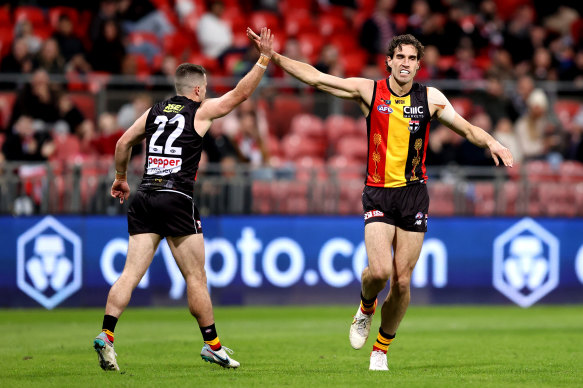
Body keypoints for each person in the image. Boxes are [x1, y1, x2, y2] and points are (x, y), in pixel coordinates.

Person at [248, 30, 513, 370]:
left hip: (415, 194)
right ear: (389, 60)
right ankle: (365, 307)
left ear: (418, 66)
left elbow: (467, 129)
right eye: (399, 56)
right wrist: (273, 56)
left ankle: (381, 349)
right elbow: (316, 79)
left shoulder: (430, 99)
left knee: (402, 281)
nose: (405, 63)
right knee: (379, 271)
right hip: (378, 191)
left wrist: (492, 142)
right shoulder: (368, 91)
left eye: (412, 58)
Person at [93, 27, 274, 371]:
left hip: (144, 196)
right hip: (176, 198)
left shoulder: (153, 112)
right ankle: (212, 346)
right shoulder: (199, 111)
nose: (206, 92)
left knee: (129, 274)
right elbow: (238, 96)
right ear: (195, 89)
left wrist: (120, 179)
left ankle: (107, 333)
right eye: (204, 88)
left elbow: (121, 145)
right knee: (196, 278)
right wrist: (264, 58)